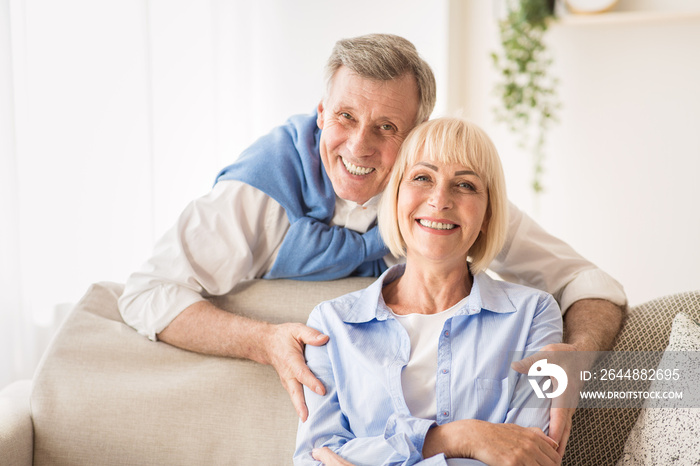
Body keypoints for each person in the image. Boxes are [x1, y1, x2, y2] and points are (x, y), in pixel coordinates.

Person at [118, 33, 627, 456]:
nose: (360, 146)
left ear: (416, 137)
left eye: (387, 127)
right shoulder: (256, 194)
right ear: (320, 112)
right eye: (344, 117)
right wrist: (265, 341)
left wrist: (580, 358)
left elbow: (588, 283)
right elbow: (146, 293)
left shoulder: (445, 202)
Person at [295, 117, 563, 465]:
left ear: (487, 214)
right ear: (394, 199)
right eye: (422, 177)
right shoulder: (332, 324)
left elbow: (528, 458)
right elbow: (314, 459)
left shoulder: (533, 315)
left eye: (465, 185)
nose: (440, 200)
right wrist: (460, 437)